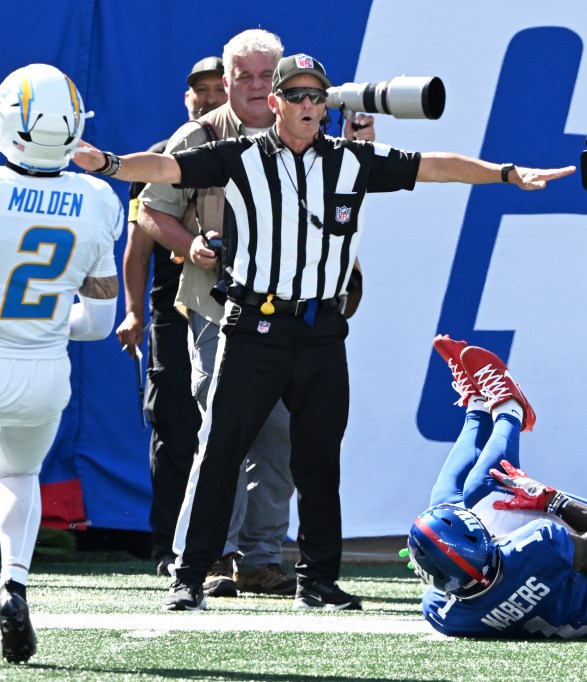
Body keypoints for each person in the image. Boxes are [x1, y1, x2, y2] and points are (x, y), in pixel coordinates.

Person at [72, 52, 575, 612]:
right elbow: (166, 169)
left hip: (321, 331)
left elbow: (433, 166)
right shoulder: (240, 156)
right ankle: (189, 576)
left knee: (317, 459)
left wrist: (506, 174)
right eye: (297, 95)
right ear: (276, 103)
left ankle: (317, 580)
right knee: (220, 452)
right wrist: (108, 163)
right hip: (254, 326)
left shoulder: (351, 160)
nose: (309, 104)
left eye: (317, 95)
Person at [136, 30, 370, 599]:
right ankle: (212, 556)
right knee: (224, 433)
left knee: (284, 435)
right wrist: (191, 244)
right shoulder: (201, 134)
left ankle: (262, 557)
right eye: (246, 76)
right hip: (218, 308)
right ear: (228, 80)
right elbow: (149, 209)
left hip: (293, 316)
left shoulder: (313, 137)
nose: (259, 86)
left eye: (269, 76)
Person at [0, 64, 122, 663]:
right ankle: (12, 584)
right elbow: (97, 322)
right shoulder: (97, 200)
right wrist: (45, 327)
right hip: (45, 369)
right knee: (18, 476)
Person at [407, 336, 587, 639]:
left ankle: (477, 404)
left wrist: (431, 558)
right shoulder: (537, 546)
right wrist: (553, 500)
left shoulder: (443, 614)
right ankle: (511, 406)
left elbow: (450, 584)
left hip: (571, 609)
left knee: (443, 505)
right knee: (485, 490)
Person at [115, 56, 226, 578]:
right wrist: (133, 311)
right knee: (176, 426)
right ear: (187, 98)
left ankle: (227, 548)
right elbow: (137, 248)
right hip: (172, 312)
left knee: (232, 429)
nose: (208, 98)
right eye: (200, 90)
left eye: (217, 88)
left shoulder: (255, 152)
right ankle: (168, 546)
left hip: (235, 309)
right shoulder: (161, 157)